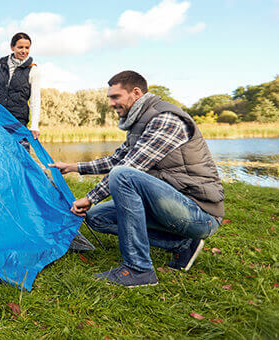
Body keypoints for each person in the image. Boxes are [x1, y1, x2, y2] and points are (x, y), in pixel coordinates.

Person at [48, 71, 224, 287]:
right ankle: (183, 245)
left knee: (123, 176)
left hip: (198, 212)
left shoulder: (165, 119)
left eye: (115, 97)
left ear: (136, 93)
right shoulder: (140, 123)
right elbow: (116, 159)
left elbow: (129, 167)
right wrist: (73, 167)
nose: (111, 103)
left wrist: (89, 197)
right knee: (96, 218)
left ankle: (139, 269)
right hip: (170, 205)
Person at [0, 32, 41, 142]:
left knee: (21, 156)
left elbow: (35, 100)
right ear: (12, 47)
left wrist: (34, 126)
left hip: (18, 122)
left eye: (27, 48)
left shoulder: (33, 70)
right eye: (20, 47)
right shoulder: (2, 66)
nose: (24, 51)